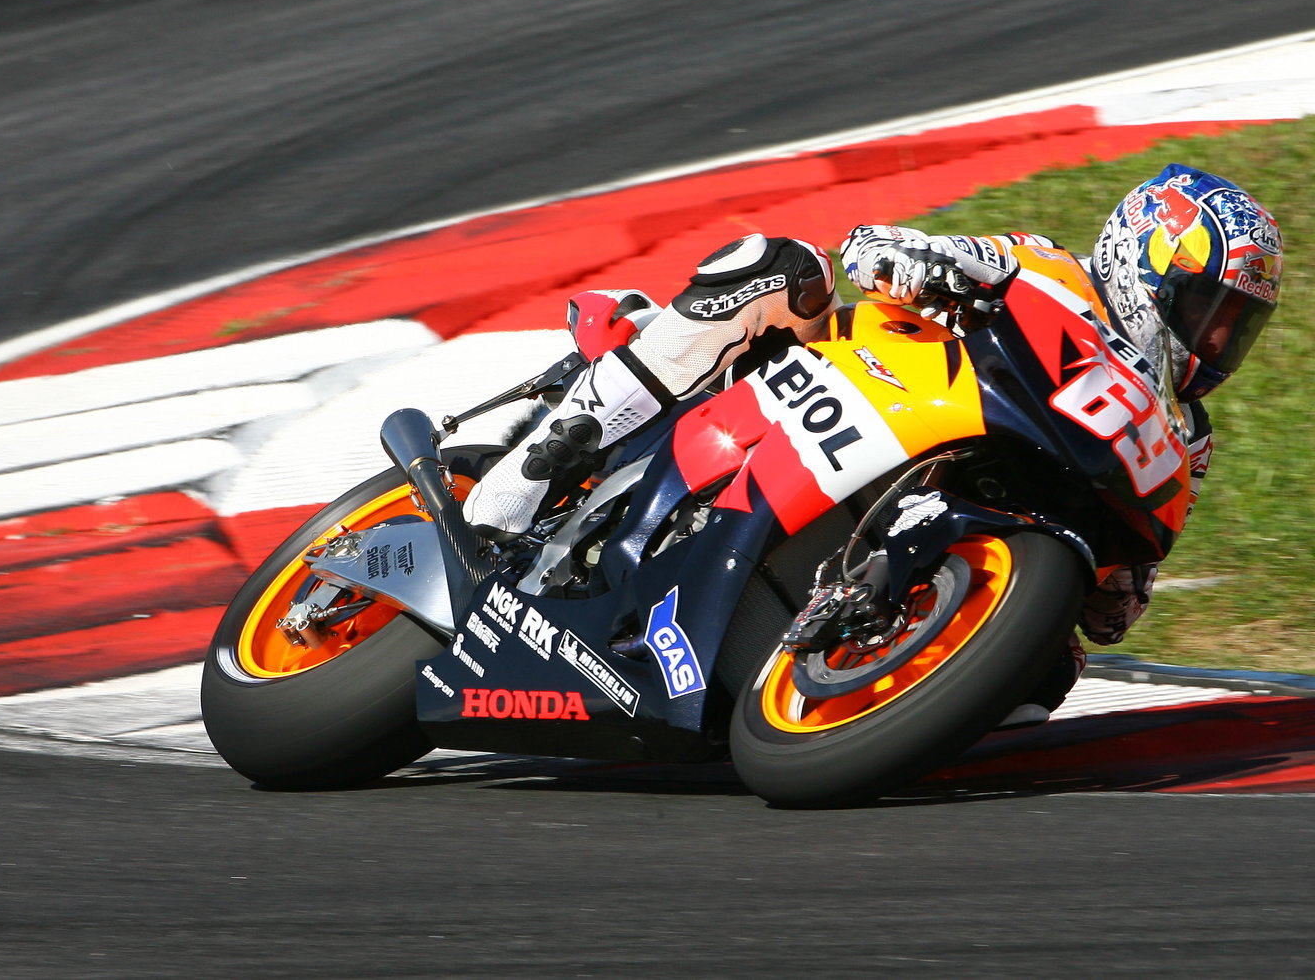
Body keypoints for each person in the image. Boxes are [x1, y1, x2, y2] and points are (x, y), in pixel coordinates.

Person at [463, 162, 1284, 725]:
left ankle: (859, 702)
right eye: (1207, 311)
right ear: (1144, 261)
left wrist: (1114, 590)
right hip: (828, 397)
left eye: (1234, 329)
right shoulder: (1045, 269)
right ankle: (528, 474)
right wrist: (918, 262)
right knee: (785, 268)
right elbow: (878, 248)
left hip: (963, 506)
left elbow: (1118, 604)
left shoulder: (1184, 441)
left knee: (1048, 674)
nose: (1214, 343)